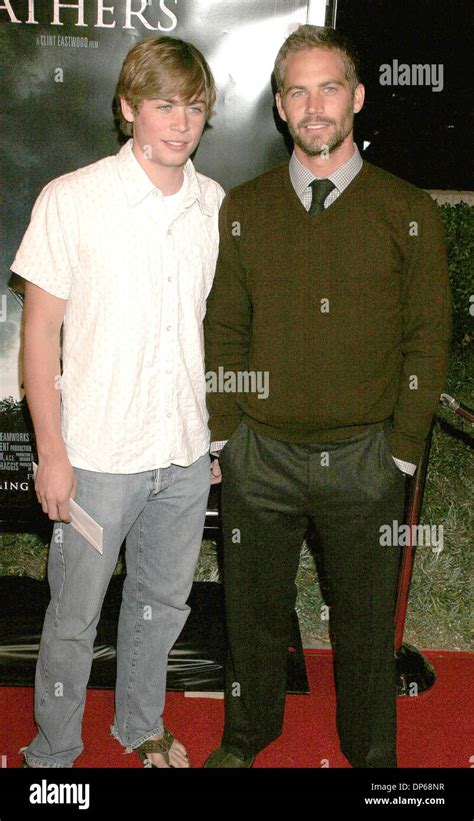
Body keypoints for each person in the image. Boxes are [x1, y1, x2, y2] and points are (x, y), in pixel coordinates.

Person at [203, 25, 451, 768]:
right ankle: (247, 734)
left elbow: (427, 337)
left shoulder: (408, 211)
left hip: (366, 457)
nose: (315, 106)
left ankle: (372, 751)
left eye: (330, 87)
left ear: (358, 98)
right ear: (280, 107)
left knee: (367, 621)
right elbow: (224, 328)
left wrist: (401, 452)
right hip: (261, 455)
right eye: (298, 91)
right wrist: (227, 438)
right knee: (251, 613)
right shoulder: (243, 209)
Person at [11, 35, 224, 769]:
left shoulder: (212, 204)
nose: (180, 121)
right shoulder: (72, 199)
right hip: (97, 457)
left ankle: (139, 725)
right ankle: (52, 754)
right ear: (128, 106)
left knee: (161, 610)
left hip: (185, 458)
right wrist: (53, 452)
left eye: (194, 106)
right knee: (72, 618)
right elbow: (38, 335)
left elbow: (199, 331)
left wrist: (204, 441)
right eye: (163, 104)